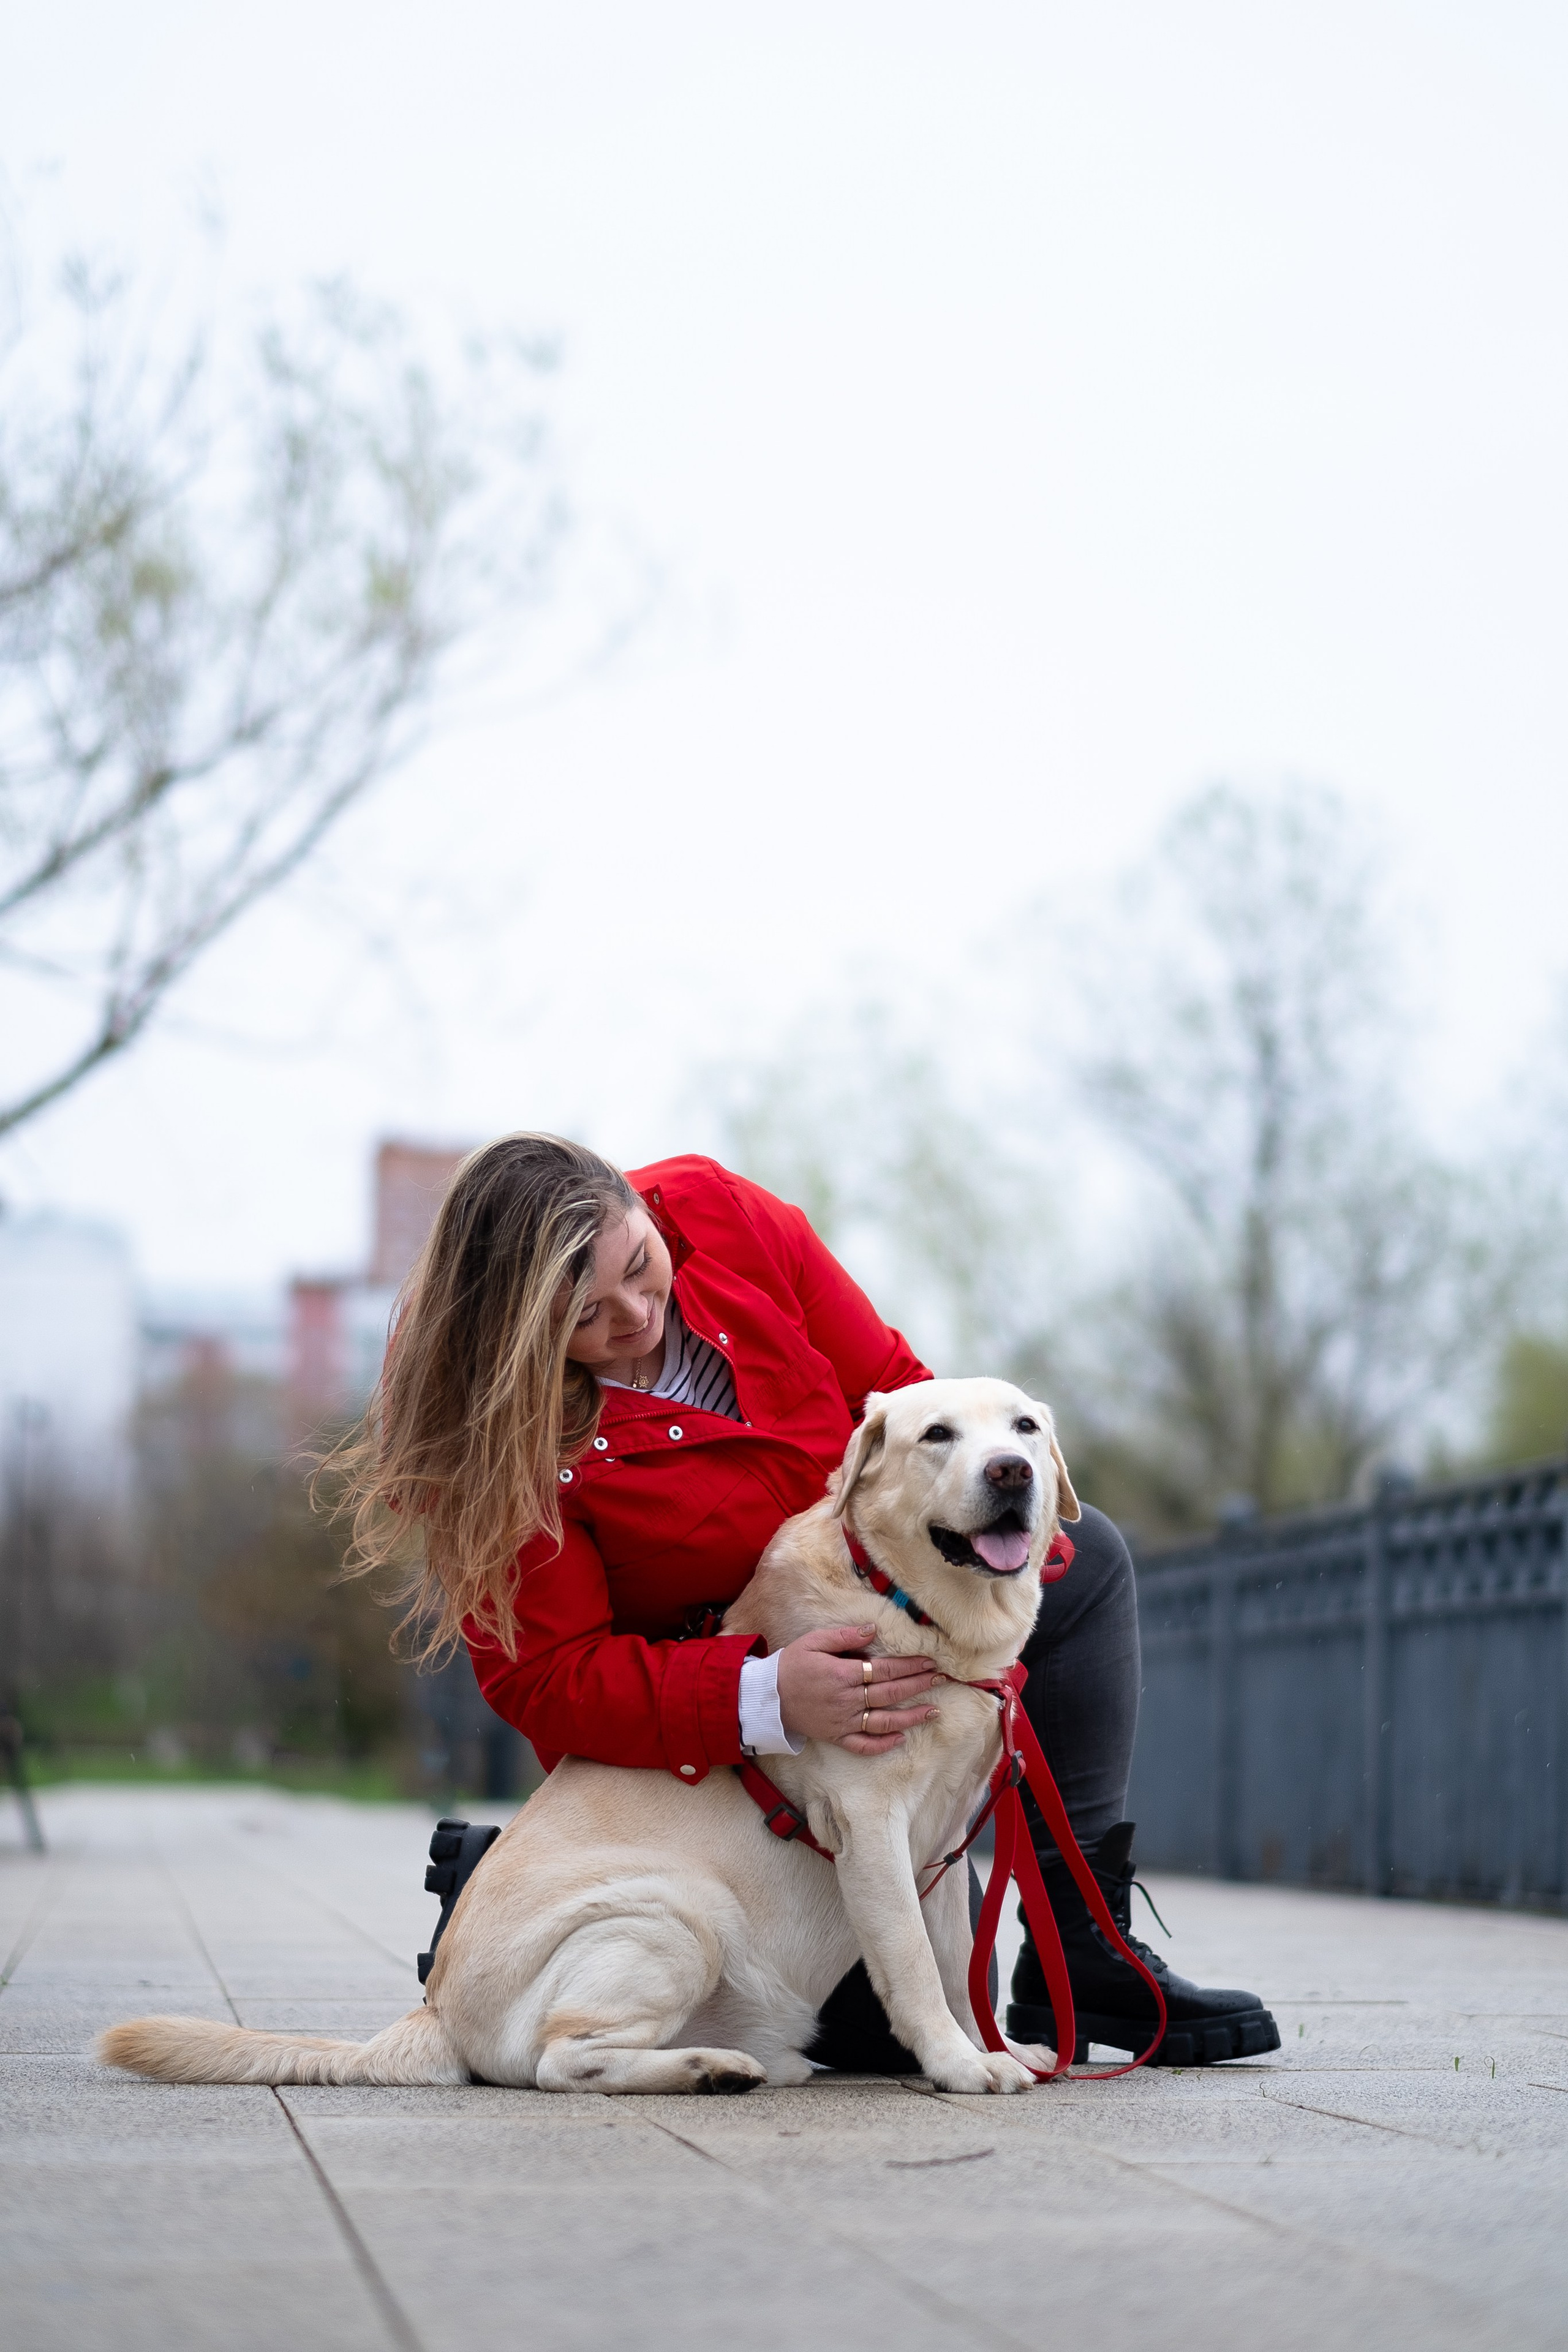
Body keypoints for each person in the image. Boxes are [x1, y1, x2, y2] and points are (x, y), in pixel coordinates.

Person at [339, 1133, 1278, 2070]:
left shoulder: (719, 1213)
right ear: (524, 1334)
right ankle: (544, 1915)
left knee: (1088, 1559)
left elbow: (901, 1391)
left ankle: (1085, 1949)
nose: (637, 1313)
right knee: (876, 2037)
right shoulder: (497, 1436)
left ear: (643, 1209)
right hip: (718, 1773)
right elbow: (548, 1678)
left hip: (876, 1602)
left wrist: (970, 1535)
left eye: (639, 1265)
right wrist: (762, 1695)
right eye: (589, 1315)